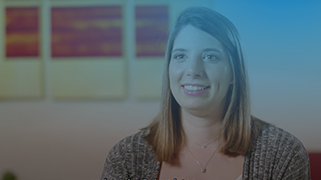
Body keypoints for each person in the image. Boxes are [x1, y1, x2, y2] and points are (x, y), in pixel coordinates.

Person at [100, 7, 310, 180]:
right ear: (169, 68)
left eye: (210, 57)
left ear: (235, 73)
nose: (193, 70)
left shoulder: (283, 153)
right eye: (181, 55)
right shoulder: (126, 158)